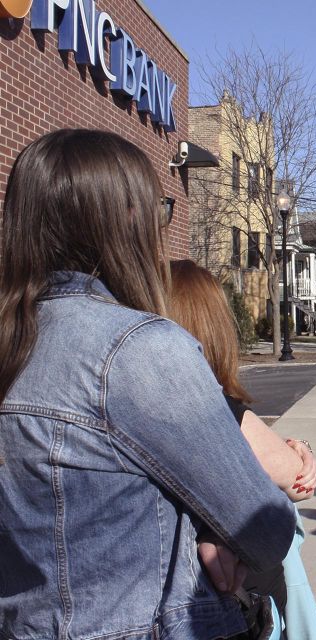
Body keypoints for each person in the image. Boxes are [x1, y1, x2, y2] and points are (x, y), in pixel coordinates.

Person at [0, 129, 296, 638]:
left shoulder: (13, 341)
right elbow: (265, 528)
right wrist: (208, 530)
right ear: (126, 219)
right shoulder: (137, 349)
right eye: (160, 208)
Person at [167, 259, 316, 639]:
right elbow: (298, 484)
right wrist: (299, 450)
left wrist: (296, 446)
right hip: (237, 605)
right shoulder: (216, 410)